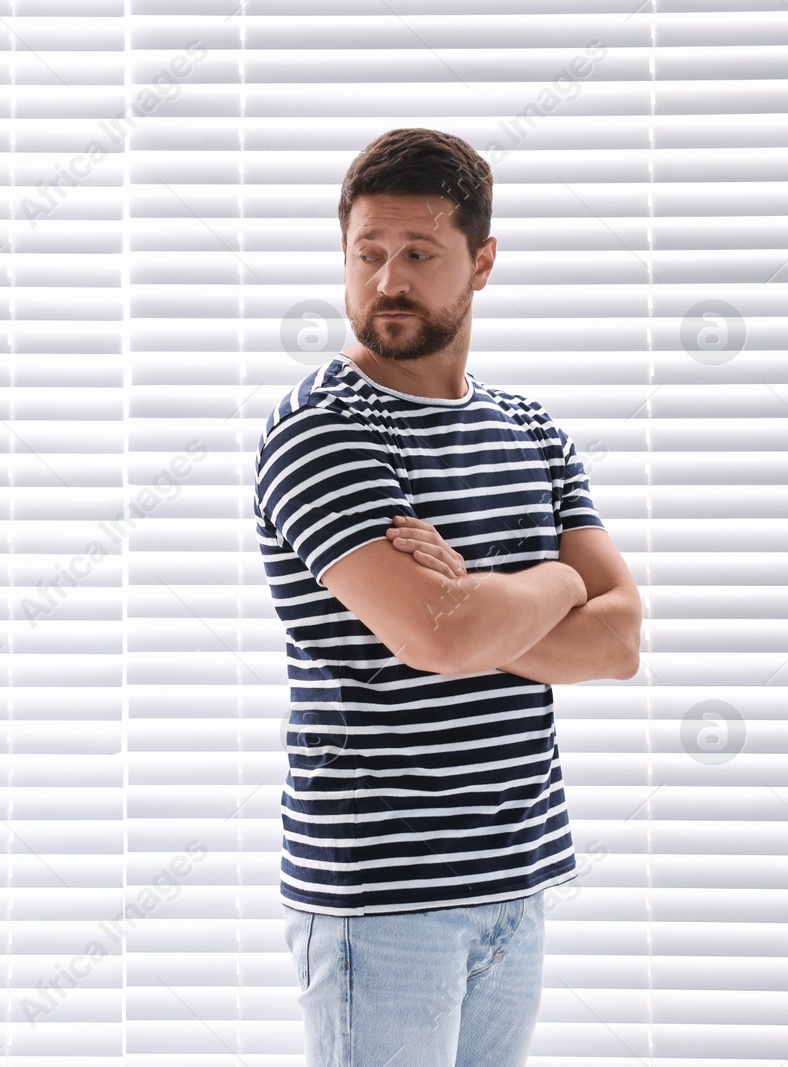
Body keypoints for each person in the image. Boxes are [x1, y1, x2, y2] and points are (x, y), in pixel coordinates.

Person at [253, 128, 643, 1067]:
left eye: (420, 254)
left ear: (483, 261)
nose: (388, 278)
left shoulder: (531, 428)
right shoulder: (323, 427)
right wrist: (554, 584)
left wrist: (478, 597)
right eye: (368, 253)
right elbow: (437, 637)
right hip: (382, 900)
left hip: (518, 876)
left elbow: (621, 636)